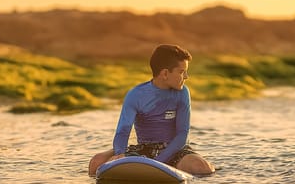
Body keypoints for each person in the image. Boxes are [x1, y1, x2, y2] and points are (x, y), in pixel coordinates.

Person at [88, 44, 215, 176]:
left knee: (201, 168)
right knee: (96, 163)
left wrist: (158, 163)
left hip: (175, 150)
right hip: (145, 149)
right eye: (182, 72)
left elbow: (182, 134)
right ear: (165, 73)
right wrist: (120, 154)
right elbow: (123, 132)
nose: (186, 77)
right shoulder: (136, 95)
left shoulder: (182, 93)